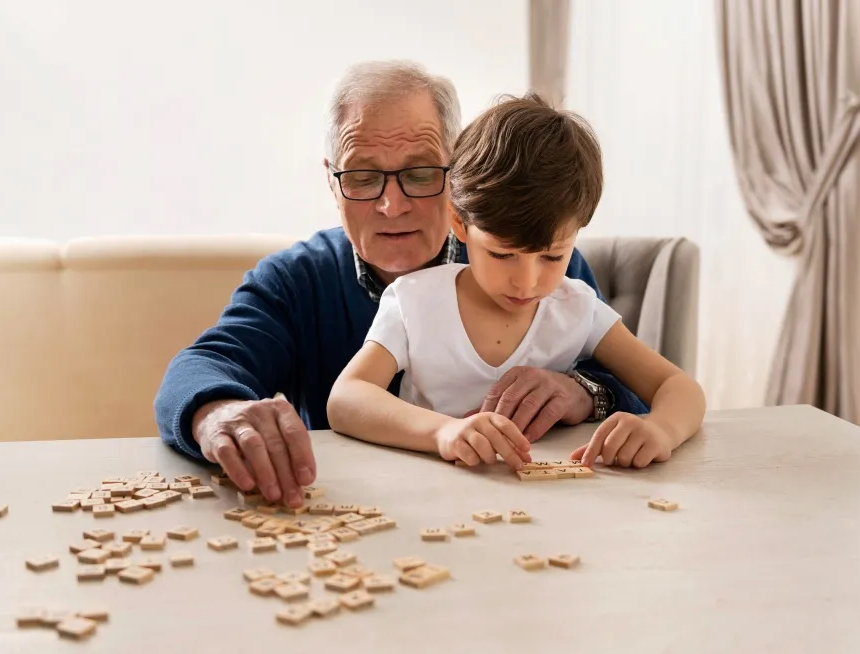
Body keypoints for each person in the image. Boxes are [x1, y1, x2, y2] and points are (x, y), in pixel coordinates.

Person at [153, 61, 648, 508]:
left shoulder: (540, 265)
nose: (392, 205)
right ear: (332, 183)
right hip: (348, 524)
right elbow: (202, 365)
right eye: (364, 178)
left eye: (418, 173)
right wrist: (217, 412)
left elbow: (640, 386)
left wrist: (584, 391)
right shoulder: (296, 280)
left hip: (524, 518)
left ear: (457, 176)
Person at [326, 93, 705, 470]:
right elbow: (347, 398)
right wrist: (443, 432)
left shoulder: (577, 307)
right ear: (458, 221)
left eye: (553, 256)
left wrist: (659, 430)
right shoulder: (414, 302)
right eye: (502, 255)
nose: (527, 284)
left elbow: (679, 388)